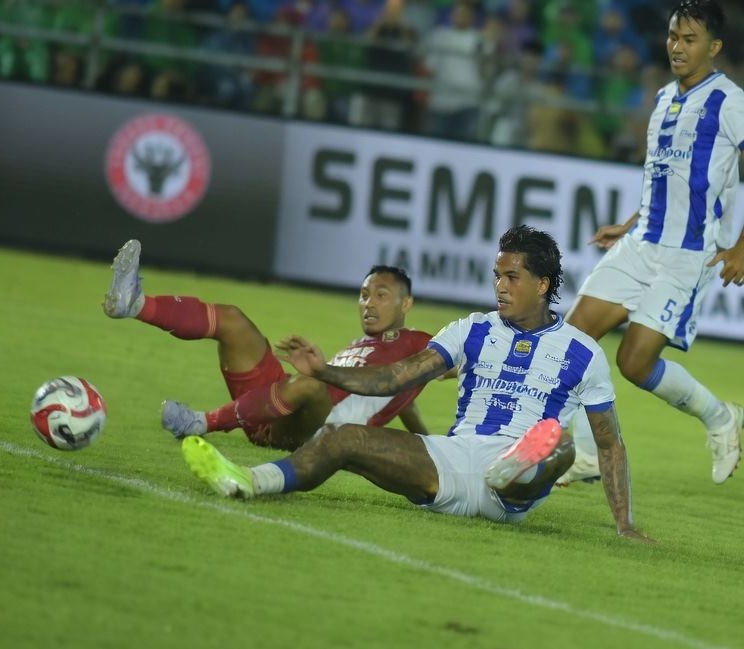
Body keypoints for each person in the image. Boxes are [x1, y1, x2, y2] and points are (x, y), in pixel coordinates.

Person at [180, 226, 649, 538]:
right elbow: (394, 377)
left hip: (517, 488)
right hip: (454, 460)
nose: (500, 287)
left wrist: (624, 524)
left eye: (512, 277)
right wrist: (324, 372)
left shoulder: (582, 352)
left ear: (543, 284)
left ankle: (515, 469)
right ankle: (248, 481)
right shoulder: (471, 329)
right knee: (341, 438)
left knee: (563, 447)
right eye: (496, 276)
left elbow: (609, 444)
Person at [562, 0, 744, 485]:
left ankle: (719, 417)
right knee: (567, 341)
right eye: (672, 37)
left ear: (714, 47)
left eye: (690, 39)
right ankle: (586, 454)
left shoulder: (729, 102)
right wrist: (629, 221)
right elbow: (666, 176)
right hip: (640, 243)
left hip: (687, 256)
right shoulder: (663, 98)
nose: (677, 47)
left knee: (634, 363)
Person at [102, 240, 431, 450]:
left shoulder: (424, 343)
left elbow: (465, 363)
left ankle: (201, 422)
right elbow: (403, 396)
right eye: (364, 295)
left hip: (314, 434)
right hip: (280, 405)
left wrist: (437, 450)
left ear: (406, 304)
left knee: (313, 385)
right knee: (232, 320)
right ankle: (135, 304)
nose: (368, 304)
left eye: (381, 296)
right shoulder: (365, 344)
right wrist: (426, 442)